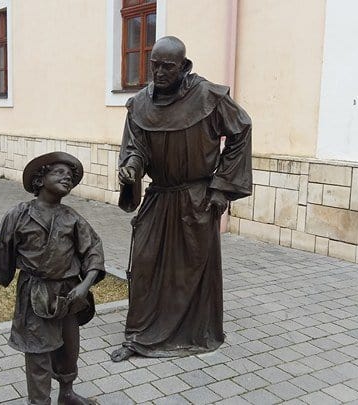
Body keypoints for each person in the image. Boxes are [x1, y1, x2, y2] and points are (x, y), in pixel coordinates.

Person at [111, 36, 252, 362]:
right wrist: (131, 168)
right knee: (145, 262)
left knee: (191, 268)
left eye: (168, 67)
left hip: (196, 199)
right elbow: (136, 149)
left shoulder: (208, 96)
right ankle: (139, 335)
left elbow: (241, 129)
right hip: (159, 196)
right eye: (155, 65)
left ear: (184, 66)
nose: (160, 73)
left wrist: (221, 186)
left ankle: (195, 333)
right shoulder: (140, 104)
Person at [0, 152, 105, 405]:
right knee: (38, 352)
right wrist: (2, 268)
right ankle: (39, 402)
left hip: (68, 294)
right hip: (36, 293)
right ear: (40, 179)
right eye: (59, 173)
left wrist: (85, 285)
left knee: (69, 348)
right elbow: (0, 247)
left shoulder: (72, 218)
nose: (67, 178)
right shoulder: (19, 214)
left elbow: (93, 250)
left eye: (70, 176)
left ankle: (66, 393)